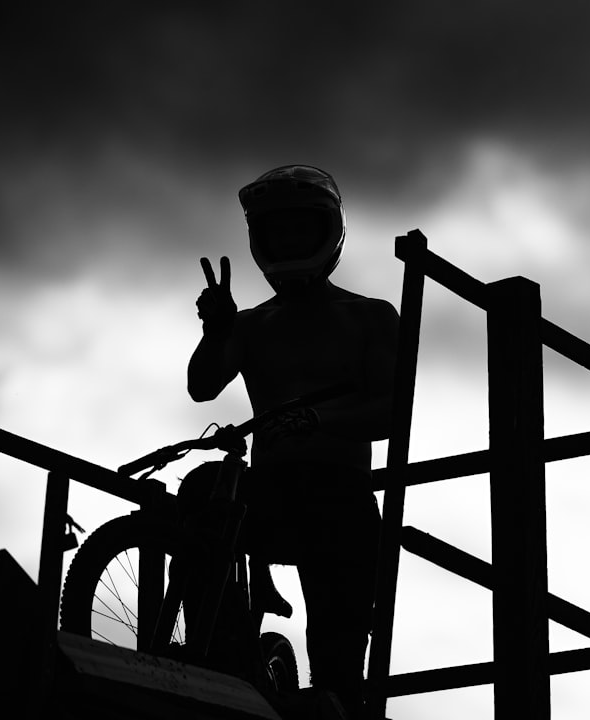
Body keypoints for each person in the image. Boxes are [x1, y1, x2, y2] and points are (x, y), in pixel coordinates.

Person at [188, 164, 398, 718]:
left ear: (327, 233)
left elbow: (392, 410)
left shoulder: (371, 317)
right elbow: (203, 386)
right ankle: (222, 651)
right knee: (202, 488)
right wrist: (216, 332)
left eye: (297, 230)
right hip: (271, 493)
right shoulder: (253, 325)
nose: (286, 243)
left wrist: (319, 422)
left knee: (336, 672)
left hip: (340, 497)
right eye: (275, 232)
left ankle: (335, 698)